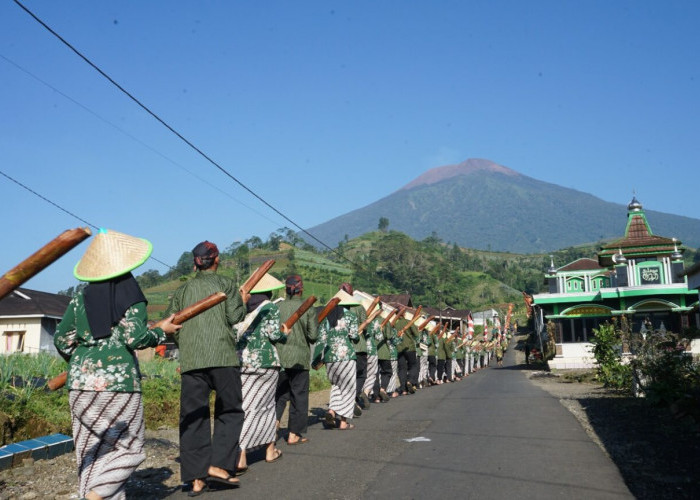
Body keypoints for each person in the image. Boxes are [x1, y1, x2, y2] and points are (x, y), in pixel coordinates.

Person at [54, 228, 182, 500]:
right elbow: (135, 337)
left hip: (79, 385)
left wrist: (82, 361)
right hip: (119, 386)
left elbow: (62, 340)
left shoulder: (80, 297)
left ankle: (90, 493)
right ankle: (97, 494)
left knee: (92, 453)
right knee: (131, 449)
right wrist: (162, 332)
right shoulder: (130, 294)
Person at [166, 241, 247, 496]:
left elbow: (171, 324)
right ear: (217, 260)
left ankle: (196, 478)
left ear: (194, 264)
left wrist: (188, 345)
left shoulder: (182, 291)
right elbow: (235, 317)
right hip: (223, 356)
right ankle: (219, 464)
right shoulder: (226, 284)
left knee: (193, 418)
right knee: (231, 411)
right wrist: (242, 301)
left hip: (192, 361)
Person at [236, 273, 287, 471]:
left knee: (246, 407)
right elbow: (274, 334)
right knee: (266, 407)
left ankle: (241, 454)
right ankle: (267, 451)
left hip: (243, 362)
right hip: (266, 362)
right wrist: (284, 334)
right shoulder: (270, 307)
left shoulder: (241, 309)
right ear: (268, 291)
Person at [275, 275, 318, 445]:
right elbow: (313, 336)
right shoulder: (308, 307)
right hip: (299, 359)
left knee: (279, 396)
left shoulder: (277, 307)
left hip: (279, 357)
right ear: (301, 289)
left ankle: (274, 426)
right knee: (298, 396)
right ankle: (294, 434)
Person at [313, 290, 359, 430]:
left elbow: (321, 339)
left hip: (330, 357)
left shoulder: (325, 317)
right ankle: (343, 423)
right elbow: (355, 336)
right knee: (348, 389)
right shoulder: (350, 316)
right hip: (346, 357)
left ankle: (332, 411)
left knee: (336, 386)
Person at [340, 283, 369, 413]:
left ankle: (346, 399)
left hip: (341, 349)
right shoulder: (358, 307)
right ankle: (354, 396)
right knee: (361, 374)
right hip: (358, 346)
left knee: (345, 377)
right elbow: (365, 326)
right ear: (351, 294)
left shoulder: (336, 308)